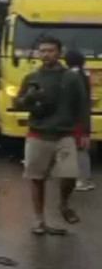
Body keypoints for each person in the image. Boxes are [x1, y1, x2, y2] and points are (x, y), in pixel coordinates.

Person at [14, 36, 90, 235]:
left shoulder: (71, 78)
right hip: (38, 134)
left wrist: (85, 133)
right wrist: (28, 98)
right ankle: (39, 221)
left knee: (70, 175)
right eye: (43, 51)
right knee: (37, 179)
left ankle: (63, 205)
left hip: (65, 135)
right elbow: (18, 104)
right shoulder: (32, 78)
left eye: (50, 51)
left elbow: (82, 105)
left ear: (59, 52)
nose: (46, 55)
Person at [64, 49, 95, 191]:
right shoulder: (84, 73)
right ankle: (82, 179)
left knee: (79, 148)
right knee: (80, 148)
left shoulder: (73, 75)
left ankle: (84, 180)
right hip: (81, 116)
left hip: (75, 117)